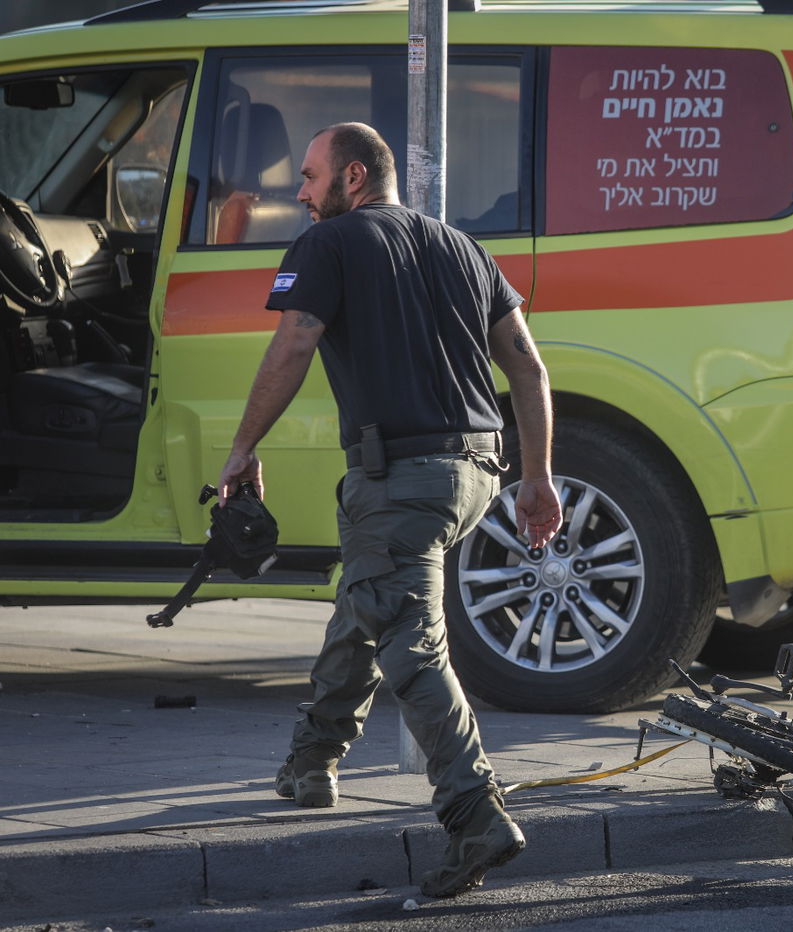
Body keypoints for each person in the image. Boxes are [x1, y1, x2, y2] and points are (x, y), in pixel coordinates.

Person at [217, 121, 562, 898]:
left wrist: (241, 449)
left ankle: (475, 815)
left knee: (414, 647)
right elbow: (530, 370)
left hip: (401, 476)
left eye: (309, 177)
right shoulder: (466, 249)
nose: (299, 193)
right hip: (476, 472)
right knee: (368, 601)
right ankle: (313, 764)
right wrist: (538, 479)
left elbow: (293, 346)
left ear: (352, 178)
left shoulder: (326, 245)